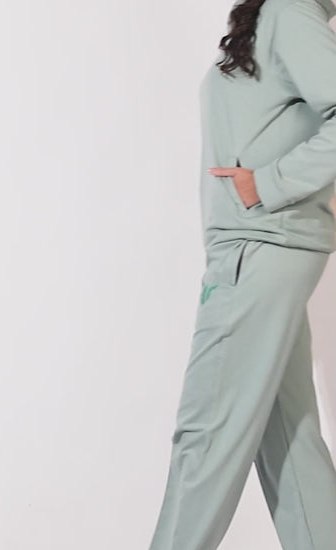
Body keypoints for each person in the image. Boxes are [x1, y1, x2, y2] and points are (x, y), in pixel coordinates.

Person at [148, 0, 336, 548]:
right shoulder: (279, 15)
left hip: (258, 245)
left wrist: (269, 183)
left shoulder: (289, 11)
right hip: (261, 245)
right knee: (290, 442)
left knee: (206, 432)